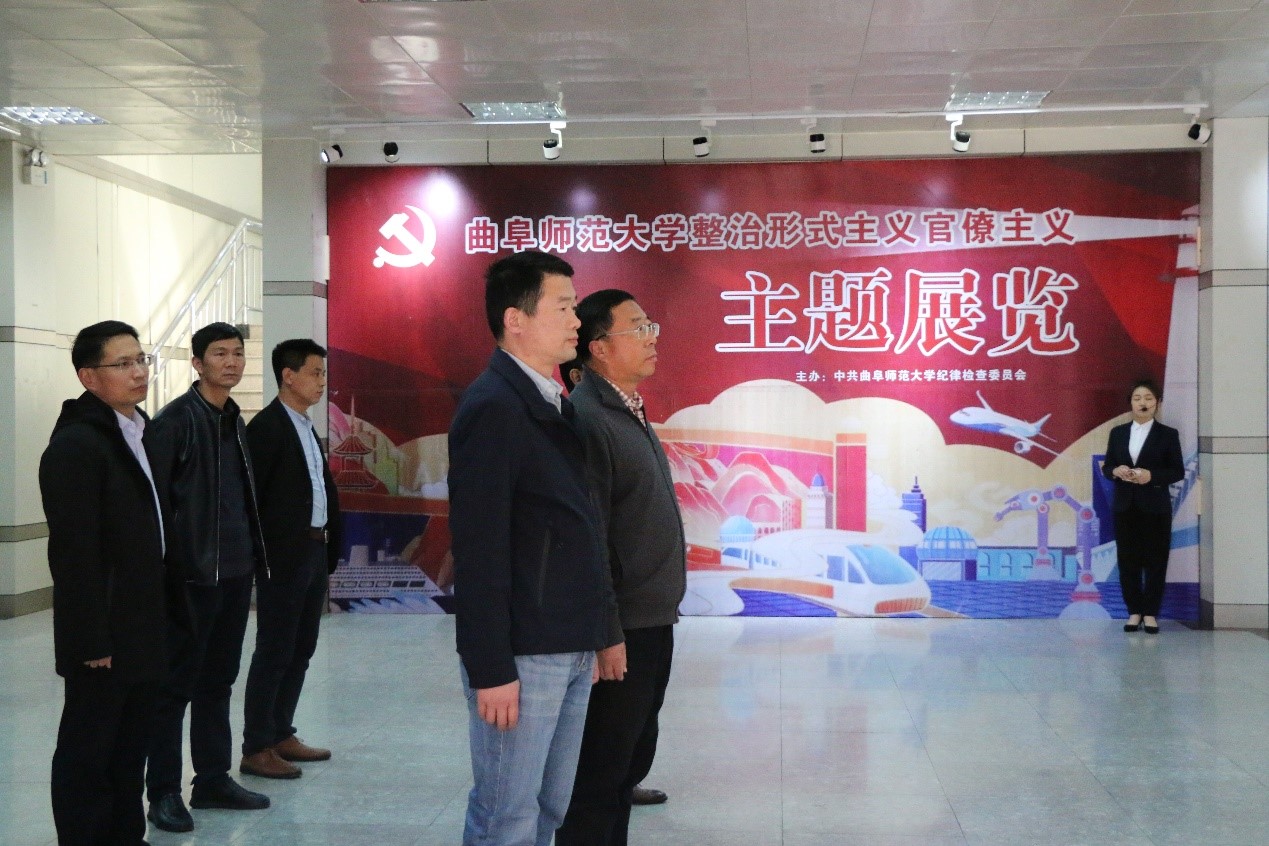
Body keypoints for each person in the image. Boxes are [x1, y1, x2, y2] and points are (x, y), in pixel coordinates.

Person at [448, 250, 616, 846]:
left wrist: (600, 630)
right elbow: (480, 549)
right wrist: (491, 667)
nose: (576, 321)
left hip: (567, 639)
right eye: (563, 307)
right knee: (507, 815)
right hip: (523, 651)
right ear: (515, 320)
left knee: (548, 809)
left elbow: (581, 529)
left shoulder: (552, 401)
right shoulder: (494, 407)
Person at [556, 290, 686, 846]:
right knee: (600, 772)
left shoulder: (626, 409)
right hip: (621, 629)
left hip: (651, 619)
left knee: (627, 761)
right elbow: (592, 541)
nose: (652, 337)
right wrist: (607, 632)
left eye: (650, 324)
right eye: (639, 327)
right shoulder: (590, 418)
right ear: (600, 348)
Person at [40, 321, 175, 846]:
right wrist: (91, 639)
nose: (138, 371)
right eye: (123, 364)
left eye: (141, 359)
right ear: (88, 377)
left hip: (143, 622)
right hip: (103, 633)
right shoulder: (77, 446)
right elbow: (74, 554)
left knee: (129, 750)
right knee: (88, 752)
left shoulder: (140, 432)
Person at [145, 322, 270, 832]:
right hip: (190, 578)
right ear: (197, 363)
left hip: (234, 574)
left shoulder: (235, 419)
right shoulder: (175, 422)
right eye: (220, 354)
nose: (232, 362)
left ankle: (213, 778)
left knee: (218, 681)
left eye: (238, 353)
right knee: (174, 687)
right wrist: (166, 574)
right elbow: (155, 507)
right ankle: (163, 792)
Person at [239, 339, 342, 779]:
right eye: (315, 373)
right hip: (283, 557)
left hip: (312, 550)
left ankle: (282, 732)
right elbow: (254, 500)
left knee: (301, 647)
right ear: (288, 375)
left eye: (323, 373)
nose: (322, 382)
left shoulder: (304, 425)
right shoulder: (266, 428)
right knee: (274, 650)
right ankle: (256, 746)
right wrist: (265, 555)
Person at [1101, 378, 1184, 635]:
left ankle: (1150, 613)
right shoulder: (1118, 433)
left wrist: (1152, 476)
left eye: (1148, 398)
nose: (1142, 403)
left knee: (1156, 560)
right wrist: (1116, 470)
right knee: (1128, 560)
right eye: (1137, 398)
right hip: (1125, 505)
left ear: (1157, 403)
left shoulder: (1168, 434)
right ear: (1130, 403)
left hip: (1155, 506)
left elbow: (1177, 471)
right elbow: (1107, 467)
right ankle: (1134, 611)